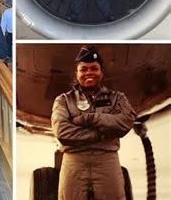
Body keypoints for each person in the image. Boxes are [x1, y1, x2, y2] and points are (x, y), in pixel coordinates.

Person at [51, 45, 136, 199]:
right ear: (76, 74)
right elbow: (62, 132)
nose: (89, 73)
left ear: (101, 73)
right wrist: (102, 135)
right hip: (74, 161)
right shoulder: (64, 100)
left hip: (106, 161)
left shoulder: (117, 98)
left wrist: (90, 118)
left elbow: (126, 122)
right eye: (83, 69)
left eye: (94, 69)